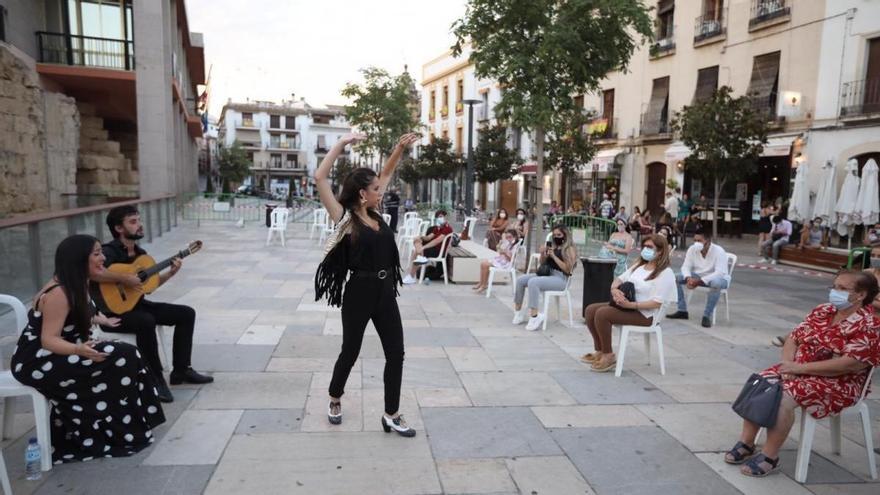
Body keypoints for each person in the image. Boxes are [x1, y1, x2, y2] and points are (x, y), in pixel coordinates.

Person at [11, 234, 165, 463]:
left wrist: (98, 319)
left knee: (125, 354)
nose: (103, 258)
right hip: (38, 360)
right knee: (123, 356)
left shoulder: (77, 283)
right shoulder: (60, 293)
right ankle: (107, 431)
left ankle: (117, 428)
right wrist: (78, 350)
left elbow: (73, 316)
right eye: (96, 253)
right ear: (79, 259)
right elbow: (48, 340)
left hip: (63, 351)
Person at [314, 132, 420, 437]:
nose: (381, 191)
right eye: (375, 189)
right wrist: (341, 144)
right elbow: (320, 178)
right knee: (350, 351)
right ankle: (335, 397)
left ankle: (391, 414)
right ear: (362, 193)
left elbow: (386, 172)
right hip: (359, 293)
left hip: (385, 293)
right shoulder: (344, 218)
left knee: (396, 353)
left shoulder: (376, 213)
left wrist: (399, 148)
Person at [724, 270, 880, 477]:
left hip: (839, 382)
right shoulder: (823, 310)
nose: (835, 292)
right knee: (762, 382)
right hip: (798, 368)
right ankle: (747, 442)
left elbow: (850, 364)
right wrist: (789, 364)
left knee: (783, 397)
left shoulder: (870, 325)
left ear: (861, 295)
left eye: (843, 289)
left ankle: (770, 456)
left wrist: (799, 369)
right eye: (834, 287)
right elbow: (794, 338)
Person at [89, 205, 213, 403]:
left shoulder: (141, 254)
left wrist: (170, 273)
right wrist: (125, 278)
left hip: (138, 306)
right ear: (118, 228)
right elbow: (93, 274)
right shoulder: (108, 252)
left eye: (139, 220)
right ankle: (154, 380)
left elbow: (146, 288)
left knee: (186, 313)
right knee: (146, 321)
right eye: (133, 222)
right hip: (112, 314)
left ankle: (181, 370)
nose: (139, 225)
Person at [583, 234, 677, 372]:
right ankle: (601, 350)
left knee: (603, 314)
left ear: (660, 251)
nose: (645, 249)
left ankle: (609, 355)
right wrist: (615, 290)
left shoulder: (665, 273)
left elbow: (657, 303)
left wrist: (631, 305)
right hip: (628, 307)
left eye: (650, 247)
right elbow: (619, 280)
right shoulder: (639, 266)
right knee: (590, 310)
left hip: (646, 315)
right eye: (644, 246)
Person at [512, 225, 578, 331]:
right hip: (547, 274)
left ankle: (534, 316)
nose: (556, 237)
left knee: (533, 282)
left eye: (559, 235)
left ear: (565, 235)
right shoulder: (554, 247)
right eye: (554, 235)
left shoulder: (569, 249)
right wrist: (543, 253)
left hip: (561, 279)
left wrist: (554, 256)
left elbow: (568, 270)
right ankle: (518, 312)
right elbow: (542, 263)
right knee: (520, 280)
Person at [667, 229, 730, 328]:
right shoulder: (692, 249)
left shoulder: (719, 251)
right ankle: (682, 310)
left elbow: (719, 273)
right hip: (698, 276)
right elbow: (686, 267)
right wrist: (688, 278)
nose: (696, 243)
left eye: (699, 241)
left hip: (719, 278)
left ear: (708, 240)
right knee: (675, 278)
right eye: (695, 240)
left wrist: (699, 281)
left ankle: (707, 315)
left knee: (716, 283)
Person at [402, 210, 454, 284]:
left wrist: (423, 247)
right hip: (432, 249)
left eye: (441, 217)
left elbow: (436, 241)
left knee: (417, 252)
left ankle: (411, 276)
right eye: (438, 217)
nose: (439, 218)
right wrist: (421, 237)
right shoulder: (437, 228)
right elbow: (428, 238)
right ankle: (420, 258)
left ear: (445, 217)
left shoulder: (447, 228)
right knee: (416, 239)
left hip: (438, 251)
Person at [472, 229, 519, 293]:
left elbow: (511, 259)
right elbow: (502, 253)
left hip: (506, 264)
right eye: (507, 237)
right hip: (502, 260)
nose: (508, 239)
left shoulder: (515, 246)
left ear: (514, 237)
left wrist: (504, 253)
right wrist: (501, 250)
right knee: (483, 263)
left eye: (510, 237)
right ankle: (481, 283)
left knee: (485, 265)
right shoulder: (509, 244)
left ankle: (484, 285)